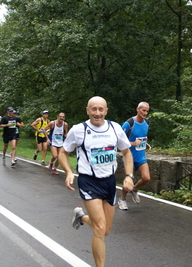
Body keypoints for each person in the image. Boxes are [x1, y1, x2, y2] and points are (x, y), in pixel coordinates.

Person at [58, 96, 134, 267]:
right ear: (87, 110)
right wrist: (68, 172)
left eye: (101, 109)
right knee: (99, 229)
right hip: (89, 182)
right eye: (94, 109)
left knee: (105, 230)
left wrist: (129, 175)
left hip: (109, 182)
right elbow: (63, 152)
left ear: (106, 111)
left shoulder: (115, 128)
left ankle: (82, 217)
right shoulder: (79, 130)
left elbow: (127, 153)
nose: (97, 113)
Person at [118, 102, 152, 210]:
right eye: (143, 110)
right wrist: (133, 143)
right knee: (129, 180)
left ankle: (134, 189)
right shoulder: (129, 123)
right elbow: (119, 141)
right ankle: (122, 199)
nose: (145, 113)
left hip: (141, 157)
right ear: (137, 109)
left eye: (147, 111)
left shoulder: (147, 123)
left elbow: (141, 137)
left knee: (146, 178)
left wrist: (145, 144)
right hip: (129, 157)